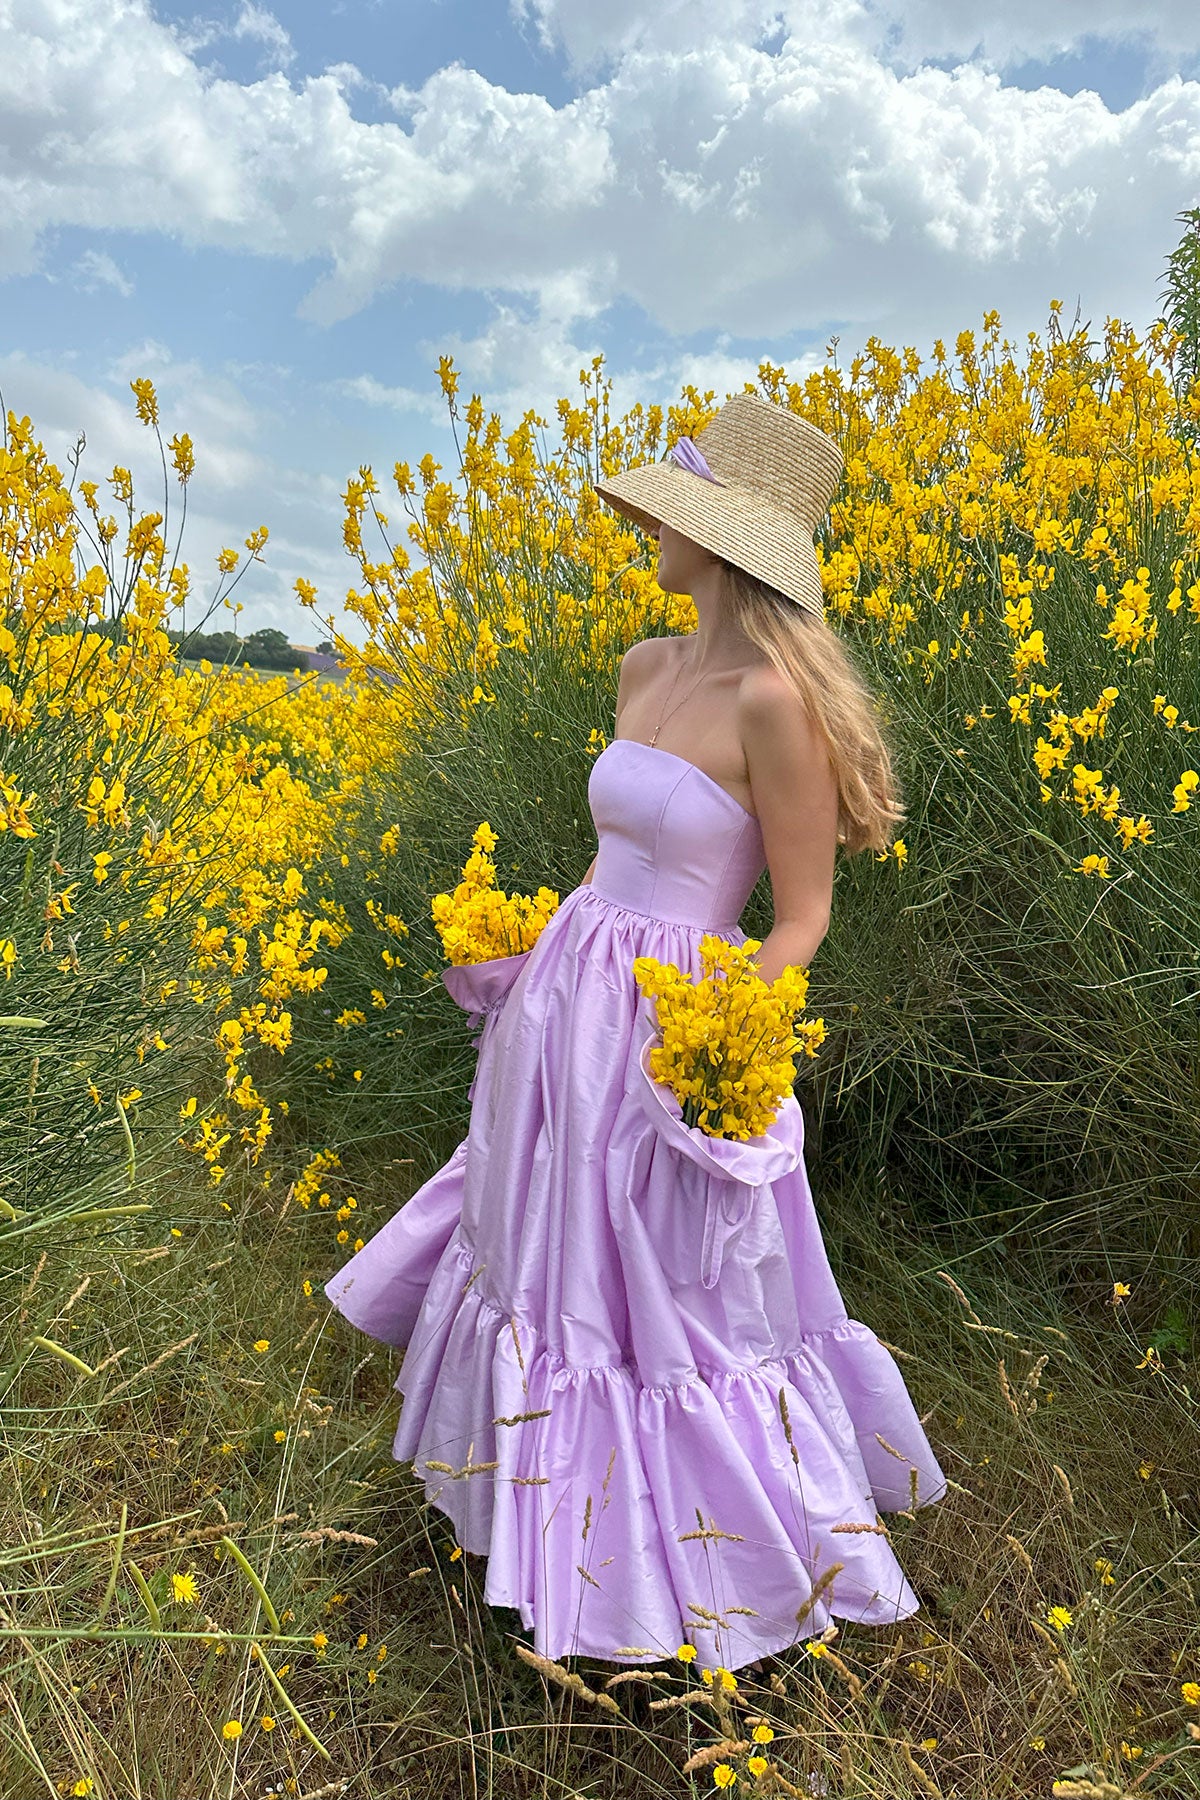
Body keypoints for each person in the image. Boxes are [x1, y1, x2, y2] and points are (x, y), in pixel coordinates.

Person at [324, 392, 948, 1672]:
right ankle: (534, 1523)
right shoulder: (645, 666)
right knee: (541, 1250)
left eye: (674, 512)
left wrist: (721, 1047)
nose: (649, 529)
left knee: (671, 1303)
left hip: (677, 1033)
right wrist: (515, 940)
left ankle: (693, 1573)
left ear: (725, 541)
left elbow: (800, 919)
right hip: (562, 1003)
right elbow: (619, 858)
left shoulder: (778, 703)